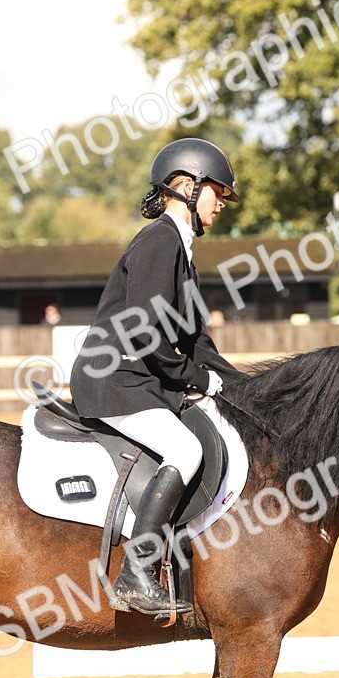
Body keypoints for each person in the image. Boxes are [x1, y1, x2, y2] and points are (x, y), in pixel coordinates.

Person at [70, 138, 243, 616]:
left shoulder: (181, 252)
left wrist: (243, 388)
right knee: (186, 449)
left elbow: (197, 342)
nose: (221, 205)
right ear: (187, 186)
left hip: (141, 379)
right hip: (115, 381)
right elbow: (148, 334)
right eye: (218, 194)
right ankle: (137, 572)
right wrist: (197, 379)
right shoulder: (159, 241)